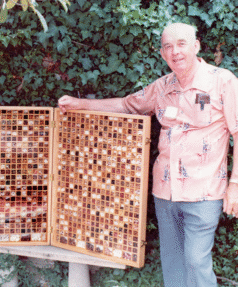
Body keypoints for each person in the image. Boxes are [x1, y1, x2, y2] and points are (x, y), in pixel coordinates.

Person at [58, 22, 238, 287]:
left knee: (195, 261)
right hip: (165, 193)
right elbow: (126, 105)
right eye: (168, 47)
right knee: (173, 263)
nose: (175, 52)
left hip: (205, 192)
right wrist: (79, 104)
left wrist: (235, 185)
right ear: (163, 54)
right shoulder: (162, 87)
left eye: (181, 44)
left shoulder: (223, 81)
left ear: (197, 46)